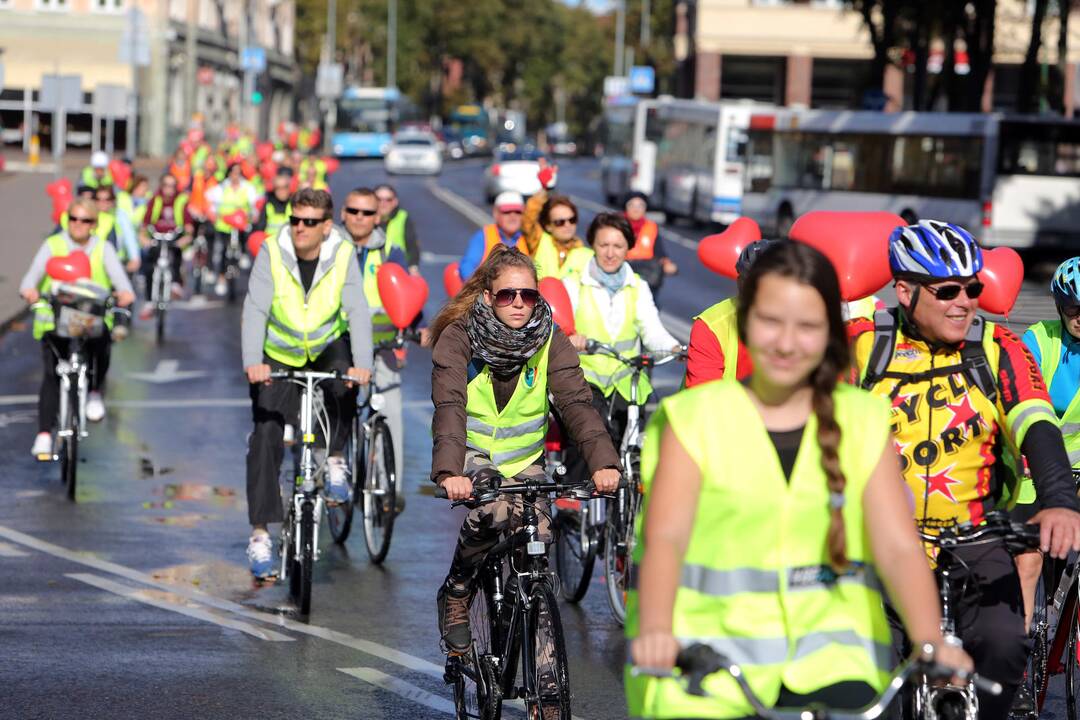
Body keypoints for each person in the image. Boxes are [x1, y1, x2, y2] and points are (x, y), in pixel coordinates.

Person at [627, 241, 973, 719]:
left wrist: (932, 642)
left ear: (831, 332)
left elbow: (897, 546)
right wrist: (656, 630)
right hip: (705, 666)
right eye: (771, 321)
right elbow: (664, 538)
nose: (787, 343)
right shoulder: (694, 419)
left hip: (835, 667)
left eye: (808, 326)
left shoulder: (862, 420)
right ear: (746, 322)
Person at [848, 220, 1080, 720]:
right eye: (947, 290)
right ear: (904, 290)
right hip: (879, 542)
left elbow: (1036, 421)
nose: (965, 300)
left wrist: (1059, 497)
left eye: (973, 287)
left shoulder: (998, 349)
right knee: (868, 683)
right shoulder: (864, 346)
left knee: (1003, 648)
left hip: (974, 537)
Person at [429, 245, 621, 655]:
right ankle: (458, 592)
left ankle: (545, 681)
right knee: (494, 511)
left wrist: (604, 463)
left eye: (528, 295)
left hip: (524, 460)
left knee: (539, 536)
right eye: (507, 295)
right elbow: (449, 408)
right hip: (471, 454)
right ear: (487, 297)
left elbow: (575, 404)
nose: (519, 304)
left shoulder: (548, 337)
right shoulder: (458, 337)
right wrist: (450, 473)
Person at [241, 188, 373, 579]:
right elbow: (255, 308)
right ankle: (261, 534)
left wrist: (362, 365)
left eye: (309, 222)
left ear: (326, 226)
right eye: (295, 220)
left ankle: (334, 459)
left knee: (345, 381)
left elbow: (357, 310)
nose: (300, 228)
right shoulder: (272, 250)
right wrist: (253, 362)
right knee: (265, 434)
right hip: (278, 352)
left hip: (324, 343)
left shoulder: (342, 253)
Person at [20, 198, 136, 456]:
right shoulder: (54, 244)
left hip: (90, 319)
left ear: (94, 224)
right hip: (55, 320)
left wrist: (125, 294)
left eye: (85, 220)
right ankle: (43, 435)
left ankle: (95, 391)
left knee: (102, 349)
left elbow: (121, 281)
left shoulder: (102, 248)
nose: (78, 225)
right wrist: (29, 290)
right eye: (73, 218)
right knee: (51, 375)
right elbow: (32, 275)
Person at [564, 213, 681, 461]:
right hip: (585, 383)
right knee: (585, 446)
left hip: (627, 383)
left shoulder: (638, 286)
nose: (610, 253)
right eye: (603, 245)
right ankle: (577, 499)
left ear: (628, 247)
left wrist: (672, 348)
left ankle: (627, 493)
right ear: (592, 245)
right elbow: (558, 327)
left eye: (618, 246)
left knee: (630, 451)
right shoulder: (574, 284)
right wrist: (571, 338)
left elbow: (652, 330)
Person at [1017, 257, 1080, 640]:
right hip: (1035, 472)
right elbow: (1016, 401)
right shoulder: (1040, 340)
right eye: (1075, 308)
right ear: (1061, 306)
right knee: (1028, 562)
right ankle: (1020, 657)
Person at [341, 187, 410, 511]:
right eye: (353, 211)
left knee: (392, 409)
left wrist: (415, 327)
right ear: (343, 214)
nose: (359, 218)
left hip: (381, 346)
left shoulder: (391, 252)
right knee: (330, 404)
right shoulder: (330, 250)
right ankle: (328, 474)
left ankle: (389, 483)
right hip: (338, 345)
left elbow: (405, 292)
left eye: (367, 213)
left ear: (377, 217)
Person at [685, 239, 776, 388]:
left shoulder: (801, 320)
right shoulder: (712, 325)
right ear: (740, 282)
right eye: (752, 282)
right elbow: (703, 397)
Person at [138, 174, 193, 319]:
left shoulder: (181, 201)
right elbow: (145, 222)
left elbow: (188, 224)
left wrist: (187, 236)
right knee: (150, 266)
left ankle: (175, 283)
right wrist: (143, 237)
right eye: (166, 185)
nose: (169, 189)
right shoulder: (155, 200)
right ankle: (149, 301)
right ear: (161, 186)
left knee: (175, 254)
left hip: (174, 236)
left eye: (172, 186)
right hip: (157, 236)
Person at [206, 162, 258, 297]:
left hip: (241, 224)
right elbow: (212, 203)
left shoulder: (247, 187)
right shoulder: (222, 188)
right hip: (224, 225)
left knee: (245, 238)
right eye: (233, 173)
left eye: (238, 173)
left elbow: (254, 205)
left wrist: (252, 214)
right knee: (223, 250)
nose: (235, 176)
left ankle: (243, 253)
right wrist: (214, 213)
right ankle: (222, 278)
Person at [457, 191, 527, 280]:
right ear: (496, 213)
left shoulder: (530, 238)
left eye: (518, 212)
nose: (512, 216)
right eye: (507, 212)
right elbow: (467, 267)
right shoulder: (483, 236)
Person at [523, 193, 593, 280]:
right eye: (560, 222)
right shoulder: (538, 240)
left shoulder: (586, 253)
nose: (567, 225)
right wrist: (544, 189)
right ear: (548, 226)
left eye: (572, 220)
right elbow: (528, 220)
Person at [622, 192, 677, 301]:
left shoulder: (651, 227)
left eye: (640, 206)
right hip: (623, 267)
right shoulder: (617, 224)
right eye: (632, 205)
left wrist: (667, 263)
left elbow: (659, 251)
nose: (636, 209)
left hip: (645, 271)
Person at [374, 184, 422, 275]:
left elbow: (412, 246)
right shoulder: (366, 217)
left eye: (388, 200)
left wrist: (413, 267)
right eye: (378, 199)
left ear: (395, 202)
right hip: (372, 269)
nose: (383, 203)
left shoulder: (402, 217)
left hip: (398, 270)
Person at [92, 185, 140, 274]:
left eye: (107, 199)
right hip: (94, 261)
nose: (103, 203)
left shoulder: (120, 215)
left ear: (113, 201)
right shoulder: (88, 216)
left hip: (117, 261)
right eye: (99, 199)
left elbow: (129, 236)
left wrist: (134, 258)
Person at [252, 170, 293, 241]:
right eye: (278, 188)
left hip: (288, 245)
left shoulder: (294, 205)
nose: (281, 191)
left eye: (284, 187)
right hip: (270, 246)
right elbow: (260, 228)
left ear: (288, 188)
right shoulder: (268, 205)